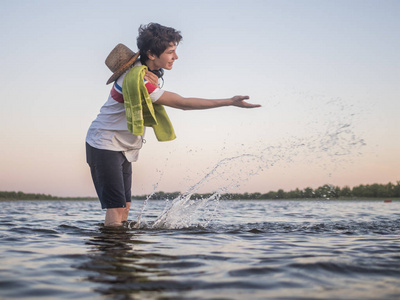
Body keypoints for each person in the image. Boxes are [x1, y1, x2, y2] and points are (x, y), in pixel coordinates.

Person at [86, 23, 261, 227]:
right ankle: (113, 254)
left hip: (122, 146)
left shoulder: (145, 74)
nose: (175, 57)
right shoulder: (137, 80)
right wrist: (229, 101)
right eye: (171, 52)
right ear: (151, 53)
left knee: (124, 207)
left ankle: (123, 254)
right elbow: (182, 103)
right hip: (104, 144)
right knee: (115, 209)